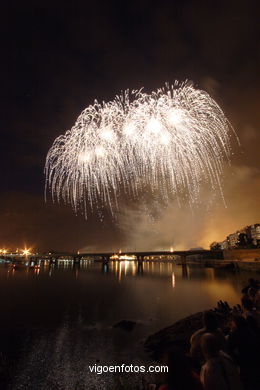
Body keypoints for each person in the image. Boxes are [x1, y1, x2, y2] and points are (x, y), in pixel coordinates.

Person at [227, 314, 260, 390]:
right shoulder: (250, 329)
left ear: (235, 323)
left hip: (245, 362)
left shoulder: (235, 333)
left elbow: (229, 347)